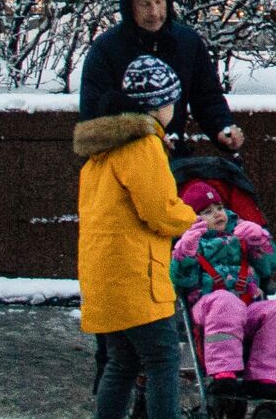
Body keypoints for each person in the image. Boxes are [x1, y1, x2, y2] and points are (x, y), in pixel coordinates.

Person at [74, 55, 198, 419]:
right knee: (162, 358)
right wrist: (190, 219)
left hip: (106, 275)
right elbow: (159, 210)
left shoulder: (102, 151)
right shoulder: (142, 146)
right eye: (172, 101)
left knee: (122, 362)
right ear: (159, 105)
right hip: (136, 277)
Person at [80, 0, 244, 155]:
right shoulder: (105, 50)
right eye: (145, 4)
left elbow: (207, 98)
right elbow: (93, 116)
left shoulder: (187, 43)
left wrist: (222, 128)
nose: (154, 13)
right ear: (129, 7)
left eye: (159, 1)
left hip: (175, 161)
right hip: (123, 163)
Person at [171, 182, 276, 400]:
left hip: (246, 306)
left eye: (219, 208)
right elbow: (182, 280)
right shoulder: (192, 242)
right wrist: (185, 252)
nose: (217, 214)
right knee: (224, 301)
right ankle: (224, 372)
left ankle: (264, 377)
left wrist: (260, 242)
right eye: (207, 212)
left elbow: (267, 267)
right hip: (209, 309)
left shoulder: (242, 233)